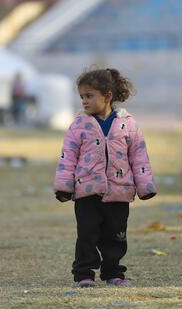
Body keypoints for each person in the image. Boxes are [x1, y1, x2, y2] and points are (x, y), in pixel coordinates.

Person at [54, 67, 157, 288]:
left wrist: (145, 186)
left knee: (115, 236)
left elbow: (139, 156)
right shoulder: (78, 126)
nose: (84, 101)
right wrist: (64, 186)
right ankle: (84, 274)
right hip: (87, 192)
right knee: (87, 235)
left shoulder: (128, 124)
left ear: (107, 95)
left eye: (89, 96)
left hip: (119, 192)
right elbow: (67, 157)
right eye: (82, 96)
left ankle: (114, 272)